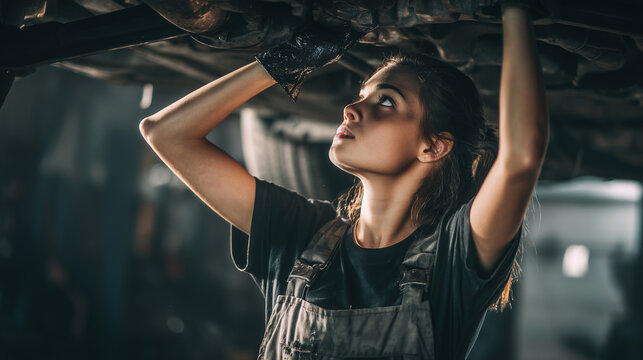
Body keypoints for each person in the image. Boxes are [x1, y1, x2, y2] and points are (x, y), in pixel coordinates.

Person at [139, 2, 549, 359]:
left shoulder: (452, 259)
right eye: (362, 94)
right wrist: (287, 61)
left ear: (433, 147)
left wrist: (515, 9)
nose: (351, 108)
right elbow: (165, 133)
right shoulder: (300, 233)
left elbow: (521, 157)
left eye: (385, 101)